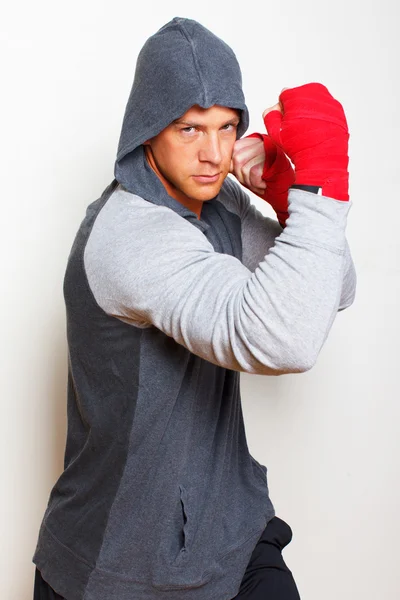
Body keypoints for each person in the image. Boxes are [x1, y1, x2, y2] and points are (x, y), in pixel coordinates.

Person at [32, 16, 356, 600]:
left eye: (227, 127)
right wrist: (322, 187)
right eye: (189, 129)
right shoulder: (129, 234)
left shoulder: (221, 198)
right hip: (123, 561)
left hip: (229, 525)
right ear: (148, 130)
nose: (213, 154)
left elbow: (330, 288)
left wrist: (289, 201)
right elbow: (283, 339)